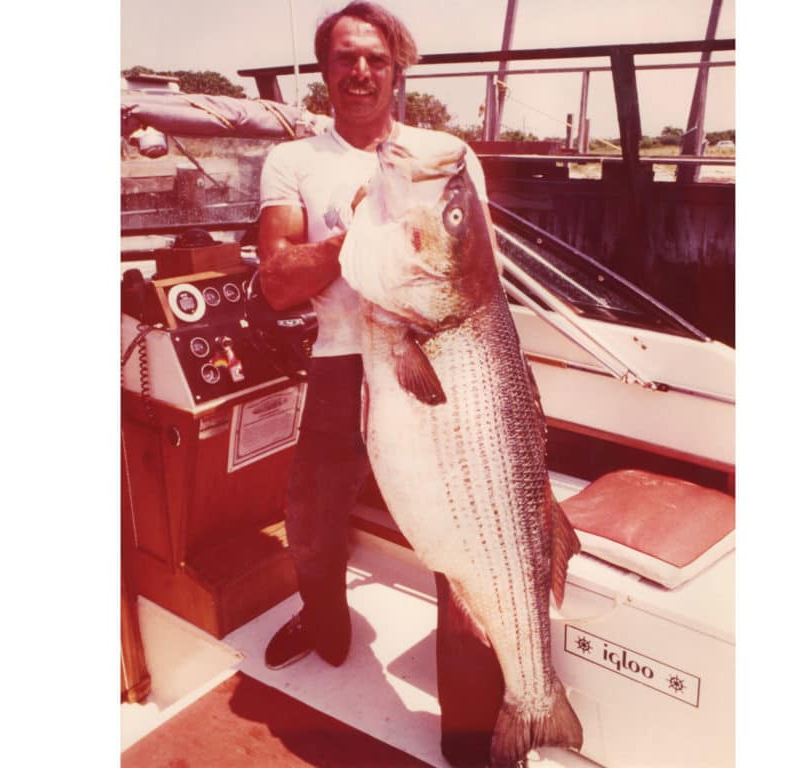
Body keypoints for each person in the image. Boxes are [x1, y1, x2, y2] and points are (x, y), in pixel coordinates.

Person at [257, 2, 502, 765]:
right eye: (344, 58)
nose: (360, 71)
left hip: (426, 364)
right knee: (310, 520)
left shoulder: (447, 154)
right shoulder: (294, 161)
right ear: (326, 70)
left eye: (376, 59)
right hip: (337, 361)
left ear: (400, 68)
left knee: (449, 529)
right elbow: (274, 283)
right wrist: (351, 241)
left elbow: (475, 279)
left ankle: (469, 728)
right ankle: (325, 619)